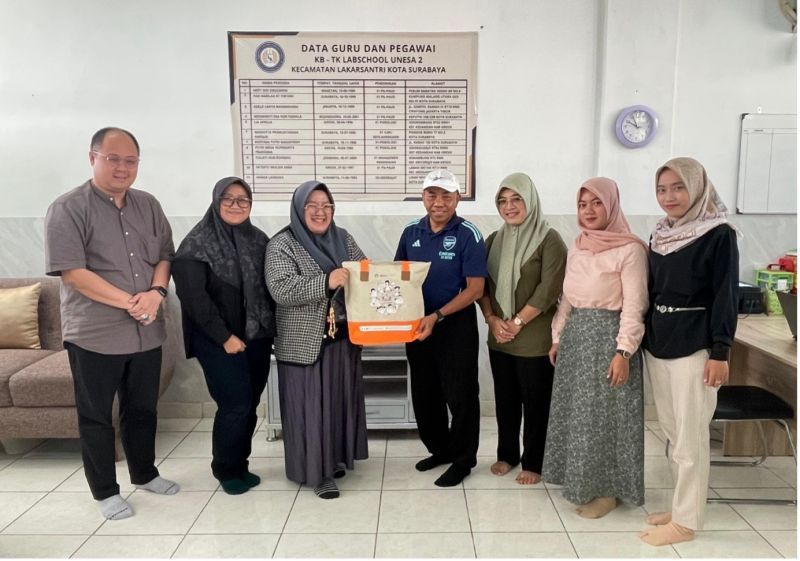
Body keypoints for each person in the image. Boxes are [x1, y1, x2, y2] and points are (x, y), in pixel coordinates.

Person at [44, 127, 179, 521]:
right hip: (94, 334)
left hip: (146, 330)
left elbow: (165, 256)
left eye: (130, 160)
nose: (123, 167)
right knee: (96, 415)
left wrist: (156, 293)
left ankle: (145, 473)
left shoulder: (148, 205)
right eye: (113, 159)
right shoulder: (68, 208)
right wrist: (131, 302)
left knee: (142, 409)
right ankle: (105, 491)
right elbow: (73, 273)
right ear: (93, 158)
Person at [639, 157, 738, 546]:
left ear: (697, 187)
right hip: (659, 343)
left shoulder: (718, 233)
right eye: (662, 189)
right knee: (671, 431)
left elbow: (725, 295)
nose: (669, 196)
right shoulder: (661, 234)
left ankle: (686, 522)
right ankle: (681, 507)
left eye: (678, 187)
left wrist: (720, 351)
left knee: (691, 436)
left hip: (695, 346)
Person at [542, 177, 648, 518]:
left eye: (597, 203)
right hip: (577, 338)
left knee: (606, 417)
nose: (588, 211)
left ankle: (607, 492)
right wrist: (557, 336)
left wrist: (624, 352)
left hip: (609, 340)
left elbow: (635, 304)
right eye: (582, 204)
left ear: (612, 205)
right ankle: (579, 481)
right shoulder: (578, 245)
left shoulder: (630, 249)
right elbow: (567, 297)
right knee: (579, 415)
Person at [265, 180, 368, 499]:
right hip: (302, 344)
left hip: (341, 340)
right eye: (312, 206)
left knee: (336, 405)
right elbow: (281, 289)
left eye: (326, 206)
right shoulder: (282, 244)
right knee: (308, 411)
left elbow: (363, 271)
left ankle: (333, 461)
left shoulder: (343, 238)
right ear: (299, 208)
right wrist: (327, 281)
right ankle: (315, 474)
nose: (320, 212)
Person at [172, 177, 275, 495]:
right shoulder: (195, 244)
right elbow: (194, 300)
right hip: (216, 340)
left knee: (250, 402)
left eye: (242, 199)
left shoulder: (258, 240)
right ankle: (225, 468)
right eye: (228, 199)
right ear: (216, 202)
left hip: (256, 338)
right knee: (235, 403)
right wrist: (224, 337)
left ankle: (241, 464)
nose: (235, 205)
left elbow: (270, 287)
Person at [394, 169, 487, 487]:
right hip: (418, 327)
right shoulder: (411, 232)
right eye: (432, 195)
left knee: (461, 395)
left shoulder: (468, 234)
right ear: (423, 197)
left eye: (446, 195)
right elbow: (398, 277)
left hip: (454, 326)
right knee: (425, 394)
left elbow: (476, 289)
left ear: (457, 198)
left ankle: (463, 460)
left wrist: (438, 316)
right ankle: (440, 450)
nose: (439, 202)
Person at [477, 173, 567, 485]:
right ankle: (507, 454)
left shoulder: (550, 239)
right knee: (505, 400)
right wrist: (491, 319)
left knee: (536, 403)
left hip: (534, 339)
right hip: (499, 337)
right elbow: (482, 286)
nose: (509, 206)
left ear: (530, 200)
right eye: (502, 201)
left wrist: (516, 323)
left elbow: (548, 289)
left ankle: (534, 462)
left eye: (516, 199)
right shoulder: (493, 240)